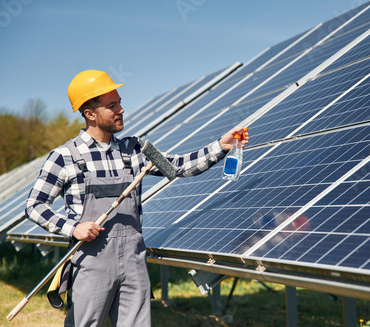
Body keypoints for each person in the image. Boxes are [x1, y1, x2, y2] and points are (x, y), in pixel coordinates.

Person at [25, 69, 249, 327]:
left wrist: (221, 145)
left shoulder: (133, 150)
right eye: (112, 106)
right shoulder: (65, 156)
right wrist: (73, 228)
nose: (121, 109)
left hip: (133, 260)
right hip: (91, 261)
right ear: (90, 114)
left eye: (119, 102)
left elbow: (176, 167)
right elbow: (34, 206)